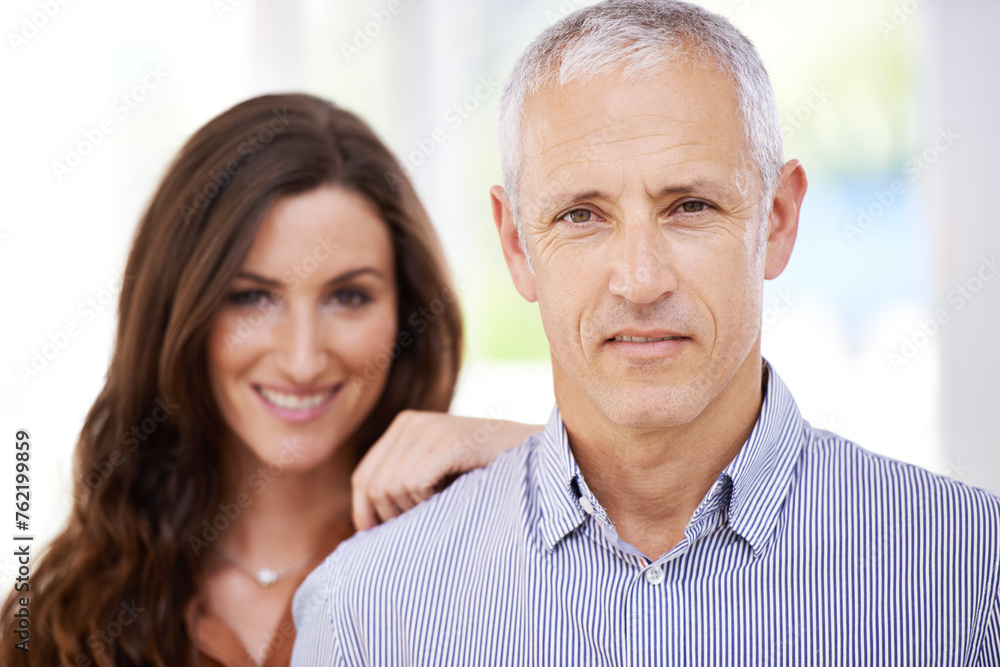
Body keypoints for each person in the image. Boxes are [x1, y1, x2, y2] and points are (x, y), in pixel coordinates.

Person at [291, 1, 1000, 664]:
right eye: (581, 215)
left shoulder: (973, 571)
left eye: (689, 205)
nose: (639, 278)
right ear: (515, 244)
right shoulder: (368, 613)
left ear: (778, 220)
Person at [0, 93, 537, 666]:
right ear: (177, 312)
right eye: (251, 297)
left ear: (405, 311)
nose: (302, 360)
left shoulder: (495, 557)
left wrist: (538, 455)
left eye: (348, 296)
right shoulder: (57, 616)